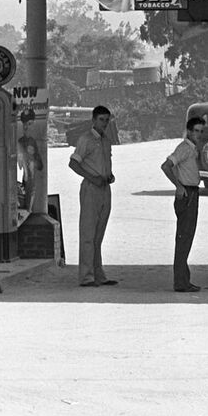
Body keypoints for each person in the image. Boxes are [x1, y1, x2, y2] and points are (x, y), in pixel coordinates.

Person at [69, 106, 118, 287]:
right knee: (88, 234)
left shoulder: (106, 140)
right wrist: (91, 177)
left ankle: (99, 275)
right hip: (91, 188)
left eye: (107, 120)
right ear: (93, 120)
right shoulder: (85, 139)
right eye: (101, 120)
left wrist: (109, 175)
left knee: (98, 235)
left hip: (105, 188)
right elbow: (73, 163)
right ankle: (86, 277)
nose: (104, 123)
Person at [161, 116, 206, 293]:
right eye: (196, 131)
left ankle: (183, 279)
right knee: (183, 238)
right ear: (188, 131)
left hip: (192, 192)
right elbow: (166, 166)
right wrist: (178, 186)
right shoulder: (184, 148)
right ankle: (180, 282)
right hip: (186, 193)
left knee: (187, 238)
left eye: (201, 131)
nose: (199, 134)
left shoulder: (193, 149)